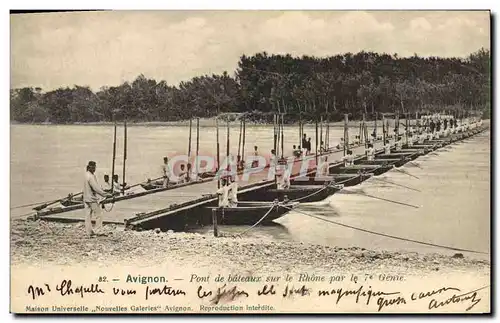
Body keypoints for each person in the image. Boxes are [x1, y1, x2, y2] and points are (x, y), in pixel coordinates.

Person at [83, 161, 112, 237]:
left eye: (95, 167)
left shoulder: (86, 175)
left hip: (86, 198)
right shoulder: (91, 176)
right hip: (92, 199)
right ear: (90, 167)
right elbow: (96, 188)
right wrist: (105, 194)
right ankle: (98, 231)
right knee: (99, 215)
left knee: (88, 216)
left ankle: (89, 232)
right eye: (93, 167)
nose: (94, 169)